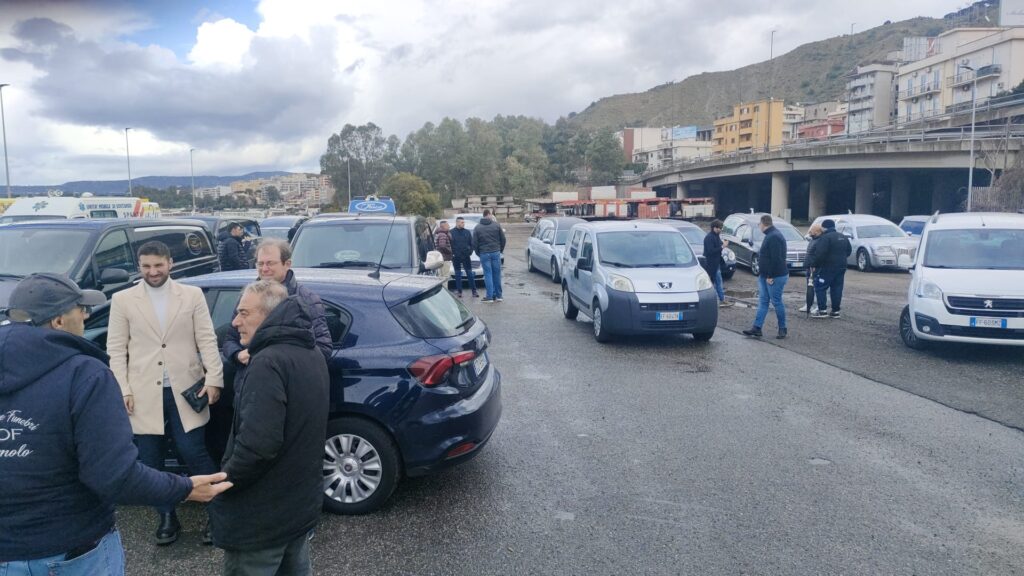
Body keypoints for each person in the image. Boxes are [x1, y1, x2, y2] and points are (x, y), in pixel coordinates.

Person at [0, 273, 231, 575]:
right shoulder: (85, 375)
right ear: (58, 321)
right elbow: (114, 477)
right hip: (73, 551)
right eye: (79, 310)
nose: (85, 316)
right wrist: (183, 488)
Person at [106, 241, 225, 545]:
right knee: (150, 460)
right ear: (139, 266)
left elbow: (207, 339)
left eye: (158, 265)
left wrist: (214, 379)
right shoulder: (123, 300)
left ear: (170, 263)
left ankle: (218, 513)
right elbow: (116, 349)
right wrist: (122, 389)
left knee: (193, 451)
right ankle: (167, 516)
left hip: (187, 388)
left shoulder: (191, 295)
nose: (152, 272)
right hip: (143, 392)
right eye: (146, 266)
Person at [210, 281, 329, 576]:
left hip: (262, 518)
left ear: (269, 316)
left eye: (243, 313)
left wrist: (226, 483)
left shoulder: (267, 362)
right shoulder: (310, 353)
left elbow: (258, 445)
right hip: (297, 506)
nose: (235, 322)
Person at [743, 214, 789, 339]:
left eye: (759, 224)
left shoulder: (774, 236)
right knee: (763, 302)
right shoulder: (771, 235)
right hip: (765, 275)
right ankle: (757, 328)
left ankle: (782, 328)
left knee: (776, 301)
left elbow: (777, 258)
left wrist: (770, 275)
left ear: (763, 224)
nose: (759, 226)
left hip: (774, 276)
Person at [809, 219, 852, 319]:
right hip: (842, 266)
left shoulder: (825, 238)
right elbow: (848, 251)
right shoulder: (843, 237)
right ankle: (835, 311)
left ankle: (822, 310)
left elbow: (820, 254)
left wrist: (814, 265)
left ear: (824, 227)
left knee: (820, 287)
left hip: (827, 267)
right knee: (837, 288)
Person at [473, 209, 506, 303]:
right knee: (497, 274)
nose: (492, 216)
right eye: (491, 214)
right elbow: (503, 239)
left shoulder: (477, 227)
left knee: (488, 274)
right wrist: (500, 250)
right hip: (496, 252)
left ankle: (490, 297)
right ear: (488, 215)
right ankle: (499, 296)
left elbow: (474, 243)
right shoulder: (496, 225)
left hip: (484, 253)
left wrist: (478, 253)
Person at [703, 220, 732, 307]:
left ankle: (720, 300)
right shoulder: (709, 237)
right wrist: (722, 246)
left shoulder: (716, 236)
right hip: (711, 264)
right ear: (714, 228)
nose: (720, 230)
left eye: (721, 228)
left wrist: (723, 243)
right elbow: (711, 251)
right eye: (719, 228)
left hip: (716, 263)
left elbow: (718, 246)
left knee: (717, 282)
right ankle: (718, 301)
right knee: (716, 283)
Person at [798, 223, 825, 313]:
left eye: (811, 230)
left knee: (817, 287)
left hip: (815, 268)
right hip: (809, 267)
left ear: (817, 232)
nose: (809, 232)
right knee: (809, 287)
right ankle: (808, 304)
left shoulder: (820, 241)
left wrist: (814, 266)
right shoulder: (813, 240)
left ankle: (818, 306)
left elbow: (818, 255)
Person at [451, 217, 479, 298]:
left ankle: (474, 291)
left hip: (466, 256)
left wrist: (469, 252)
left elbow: (471, 244)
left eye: (464, 222)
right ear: (457, 223)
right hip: (456, 256)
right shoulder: (451, 232)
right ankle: (459, 291)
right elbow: (450, 245)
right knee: (458, 274)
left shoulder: (467, 232)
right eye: (462, 222)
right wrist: (453, 253)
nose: (463, 224)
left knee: (469, 273)